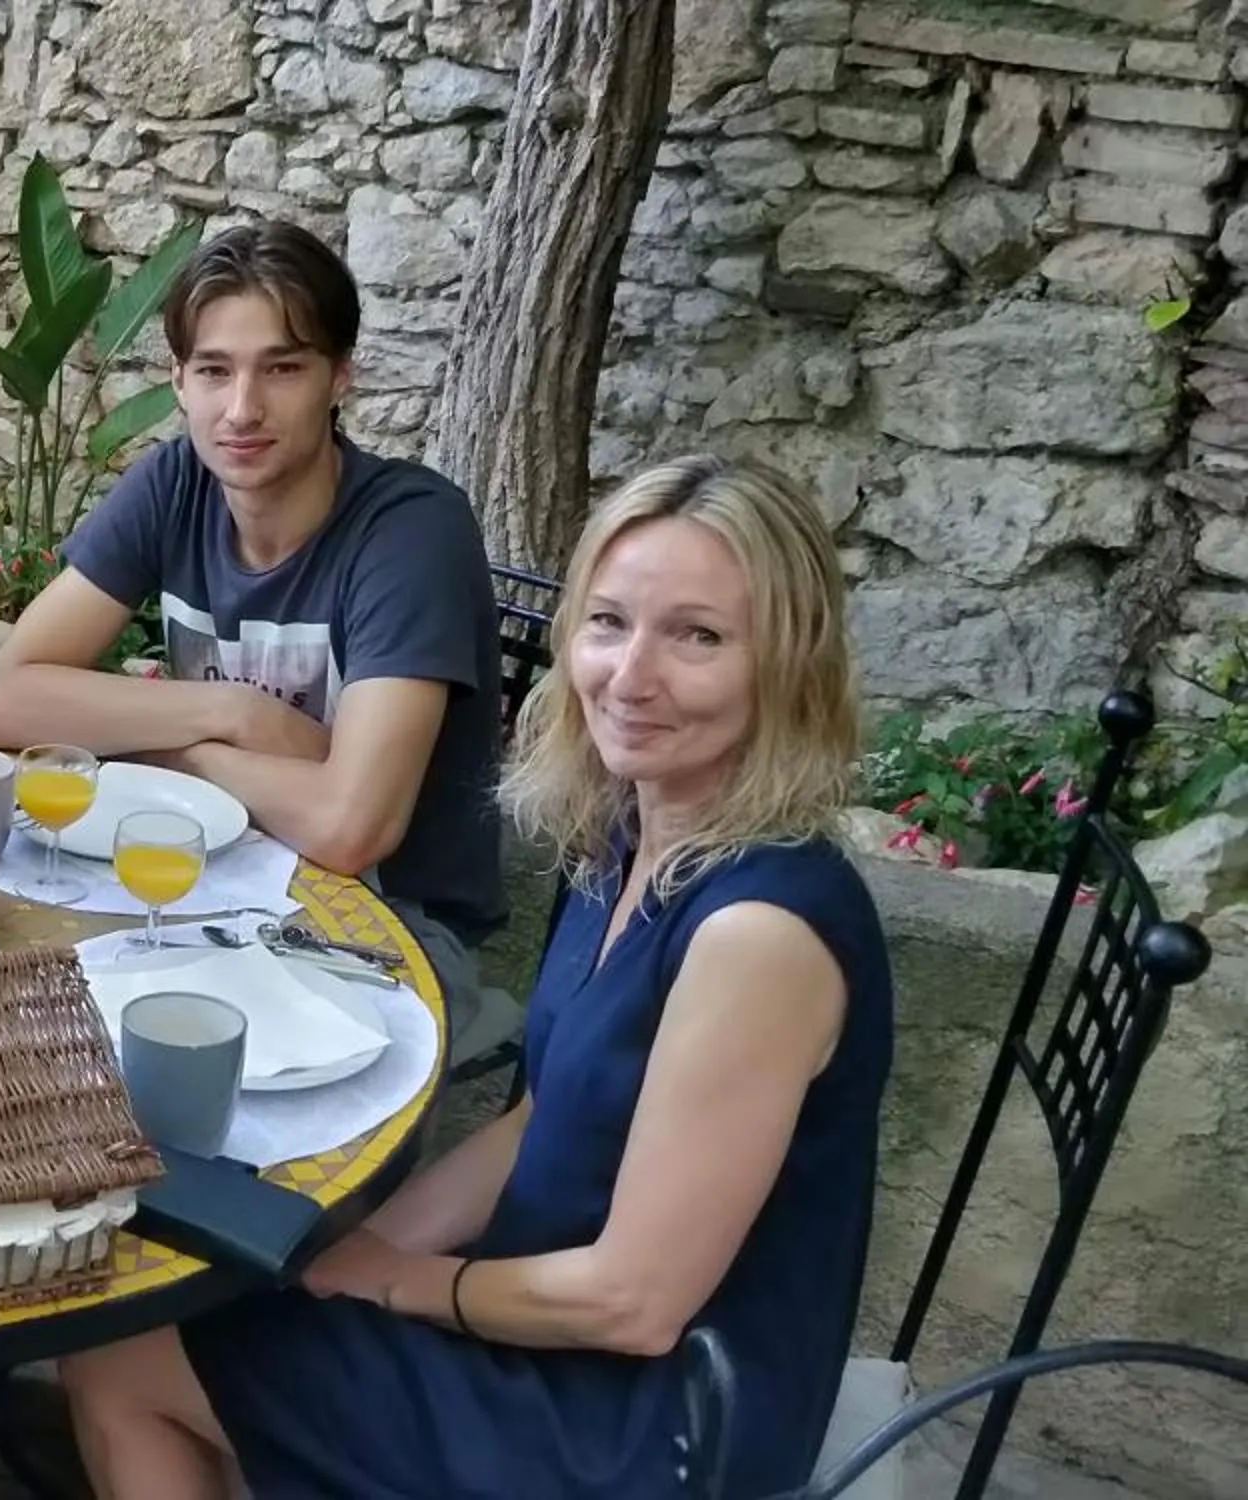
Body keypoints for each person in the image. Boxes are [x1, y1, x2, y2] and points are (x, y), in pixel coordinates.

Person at [57, 454, 894, 1499]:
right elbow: (542, 1117)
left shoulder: (756, 934)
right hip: (554, 1332)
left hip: (648, 1425)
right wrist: (341, 1256)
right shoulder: (630, 836)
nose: (630, 676)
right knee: (199, 1301)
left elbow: (634, 1303)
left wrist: (404, 1282)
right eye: (609, 623)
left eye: (699, 637)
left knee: (121, 1351)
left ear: (789, 665)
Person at [0, 219, 507, 1044]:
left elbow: (351, 828)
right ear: (180, 381)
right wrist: (235, 713)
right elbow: (7, 701)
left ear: (340, 377)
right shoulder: (176, 483)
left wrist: (177, 755)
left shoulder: (409, 531)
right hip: (216, 883)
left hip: (389, 927)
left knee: (132, 1045)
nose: (243, 409)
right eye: (215, 371)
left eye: (282, 368)